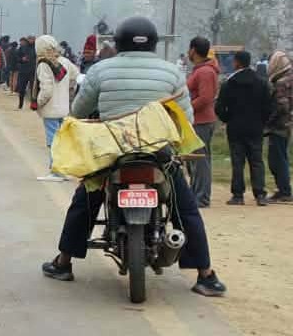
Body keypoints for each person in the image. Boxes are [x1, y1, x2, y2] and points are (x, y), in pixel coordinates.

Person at [41, 16, 226, 298]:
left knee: (85, 201)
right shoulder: (171, 72)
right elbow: (185, 119)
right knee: (185, 208)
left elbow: (78, 111)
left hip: (113, 151)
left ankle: (63, 262)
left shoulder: (100, 70)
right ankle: (206, 275)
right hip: (157, 152)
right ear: (153, 43)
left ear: (118, 43)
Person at [216, 50, 273, 206]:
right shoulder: (261, 82)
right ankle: (260, 194)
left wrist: (228, 119)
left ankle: (238, 195)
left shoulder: (229, 83)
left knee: (237, 161)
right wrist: (262, 122)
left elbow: (219, 107)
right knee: (256, 161)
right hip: (255, 128)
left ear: (237, 62)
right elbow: (269, 107)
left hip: (235, 128)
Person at [31, 35, 80, 182]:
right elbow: (75, 77)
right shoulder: (64, 61)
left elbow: (46, 90)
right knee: (62, 141)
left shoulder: (43, 64)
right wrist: (67, 90)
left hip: (51, 109)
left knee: (53, 141)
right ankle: (63, 170)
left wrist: (38, 102)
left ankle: (56, 172)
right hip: (63, 108)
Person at [185, 36, 219, 208]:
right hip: (198, 120)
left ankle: (202, 197)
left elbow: (205, 98)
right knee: (197, 160)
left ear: (193, 50)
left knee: (200, 160)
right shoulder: (200, 70)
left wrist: (186, 108)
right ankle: (196, 193)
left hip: (201, 121)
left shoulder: (205, 72)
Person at [266, 50, 292, 203]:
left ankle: (284, 191)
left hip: (278, 126)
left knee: (277, 160)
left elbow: (282, 106)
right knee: (281, 157)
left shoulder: (281, 83)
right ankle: (283, 189)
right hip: (286, 125)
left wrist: (268, 121)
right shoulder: (290, 79)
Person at [15, 36, 36, 110]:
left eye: (32, 39)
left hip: (33, 71)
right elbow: (17, 57)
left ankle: (33, 104)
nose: (31, 40)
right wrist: (22, 59)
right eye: (30, 39)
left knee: (33, 89)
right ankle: (20, 104)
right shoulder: (22, 47)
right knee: (21, 89)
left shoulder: (36, 48)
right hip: (23, 71)